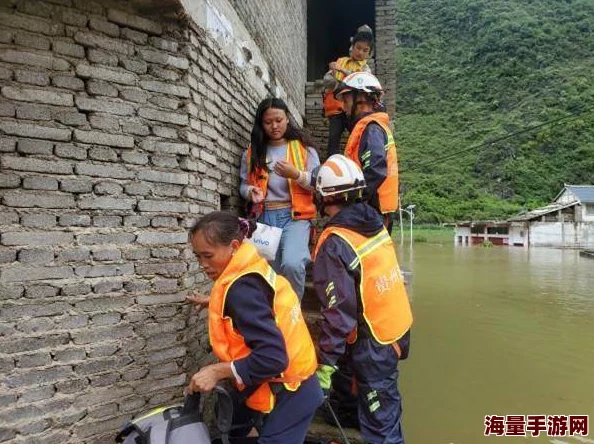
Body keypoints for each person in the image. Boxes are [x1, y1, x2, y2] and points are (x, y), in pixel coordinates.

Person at [186, 211, 323, 444]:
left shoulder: (242, 292)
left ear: (234, 246)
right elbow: (261, 301)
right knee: (238, 427)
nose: (203, 265)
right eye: (198, 257)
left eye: (208, 256)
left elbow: (273, 359)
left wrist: (217, 371)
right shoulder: (252, 267)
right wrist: (216, 303)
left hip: (291, 393)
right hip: (294, 384)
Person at [312, 155, 413, 444]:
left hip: (373, 342)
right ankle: (347, 415)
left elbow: (338, 312)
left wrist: (325, 364)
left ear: (322, 197)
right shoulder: (374, 223)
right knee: (362, 397)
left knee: (383, 426)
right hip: (393, 327)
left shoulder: (336, 242)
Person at [239, 97, 320, 300]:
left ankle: (292, 314)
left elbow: (319, 184)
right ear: (261, 124)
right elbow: (243, 184)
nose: (274, 126)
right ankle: (273, 317)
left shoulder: (304, 150)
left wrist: (296, 175)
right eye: (268, 122)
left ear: (287, 119)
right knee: (268, 272)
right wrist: (250, 192)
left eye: (279, 120)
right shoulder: (252, 153)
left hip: (295, 217)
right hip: (264, 218)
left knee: (292, 263)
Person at [334, 71, 399, 231]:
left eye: (346, 99)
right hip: (376, 210)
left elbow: (375, 169)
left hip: (372, 212)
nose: (344, 107)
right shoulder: (373, 127)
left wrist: (352, 199)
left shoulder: (372, 129)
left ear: (361, 98)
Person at [323, 28, 373, 158]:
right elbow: (327, 81)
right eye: (358, 48)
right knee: (333, 138)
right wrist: (336, 74)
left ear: (369, 53)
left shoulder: (365, 69)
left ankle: (356, 163)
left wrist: (342, 72)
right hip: (336, 109)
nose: (360, 52)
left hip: (355, 110)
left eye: (365, 50)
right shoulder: (341, 61)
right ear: (352, 46)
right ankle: (331, 165)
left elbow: (361, 81)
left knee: (357, 137)